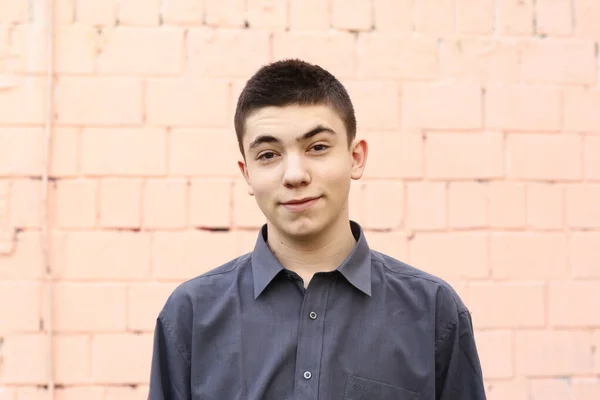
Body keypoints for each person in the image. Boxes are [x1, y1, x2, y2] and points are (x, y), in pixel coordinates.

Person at [148, 59, 487, 400]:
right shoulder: (191, 314)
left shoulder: (432, 312)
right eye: (268, 154)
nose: (295, 174)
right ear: (247, 173)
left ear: (356, 157)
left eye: (318, 147)